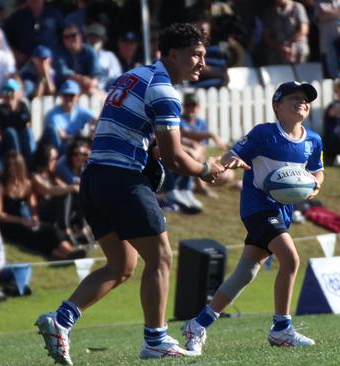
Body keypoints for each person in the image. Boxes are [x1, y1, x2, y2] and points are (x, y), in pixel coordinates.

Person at [35, 23, 227, 364]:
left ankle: (60, 321)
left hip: (93, 178)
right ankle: (155, 340)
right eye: (196, 55)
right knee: (161, 257)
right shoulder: (165, 91)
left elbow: (131, 130)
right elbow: (174, 157)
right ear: (172, 54)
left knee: (122, 265)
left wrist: (151, 149)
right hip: (121, 178)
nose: (202, 63)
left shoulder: (134, 75)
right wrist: (205, 169)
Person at [182, 81, 321, 354]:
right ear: (277, 106)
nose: (301, 102)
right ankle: (281, 328)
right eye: (294, 98)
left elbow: (318, 170)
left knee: (246, 273)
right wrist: (228, 161)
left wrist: (316, 185)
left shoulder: (313, 140)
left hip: (281, 211)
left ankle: (197, 324)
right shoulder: (263, 134)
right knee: (291, 259)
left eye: (305, 99)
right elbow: (231, 153)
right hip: (257, 207)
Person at [0, 151, 84, 261]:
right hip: (8, 223)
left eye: (15, 165)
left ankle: (70, 251)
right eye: (9, 165)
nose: (12, 168)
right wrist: (20, 220)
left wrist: (35, 217)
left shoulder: (26, 183)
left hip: (24, 220)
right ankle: (62, 256)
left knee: (50, 229)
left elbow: (33, 206)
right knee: (33, 236)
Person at [0, 78, 36, 164]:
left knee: (28, 132)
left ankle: (32, 165)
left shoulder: (22, 106)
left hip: (21, 139)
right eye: (5, 91)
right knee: (11, 132)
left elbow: (27, 124)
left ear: (17, 93)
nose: (8, 94)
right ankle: (17, 164)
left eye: (11, 91)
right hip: (6, 142)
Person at [40, 80, 95, 152]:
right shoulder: (52, 114)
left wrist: (93, 130)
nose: (68, 99)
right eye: (65, 95)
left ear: (78, 96)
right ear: (61, 96)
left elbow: (98, 121)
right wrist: (82, 138)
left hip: (76, 147)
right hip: (60, 149)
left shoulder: (81, 111)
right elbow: (62, 136)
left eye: (71, 95)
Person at [262, 0, 310, 64]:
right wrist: (280, 47)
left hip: (297, 49)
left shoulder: (297, 7)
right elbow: (267, 36)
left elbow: (303, 30)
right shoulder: (271, 12)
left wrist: (289, 44)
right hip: (278, 51)